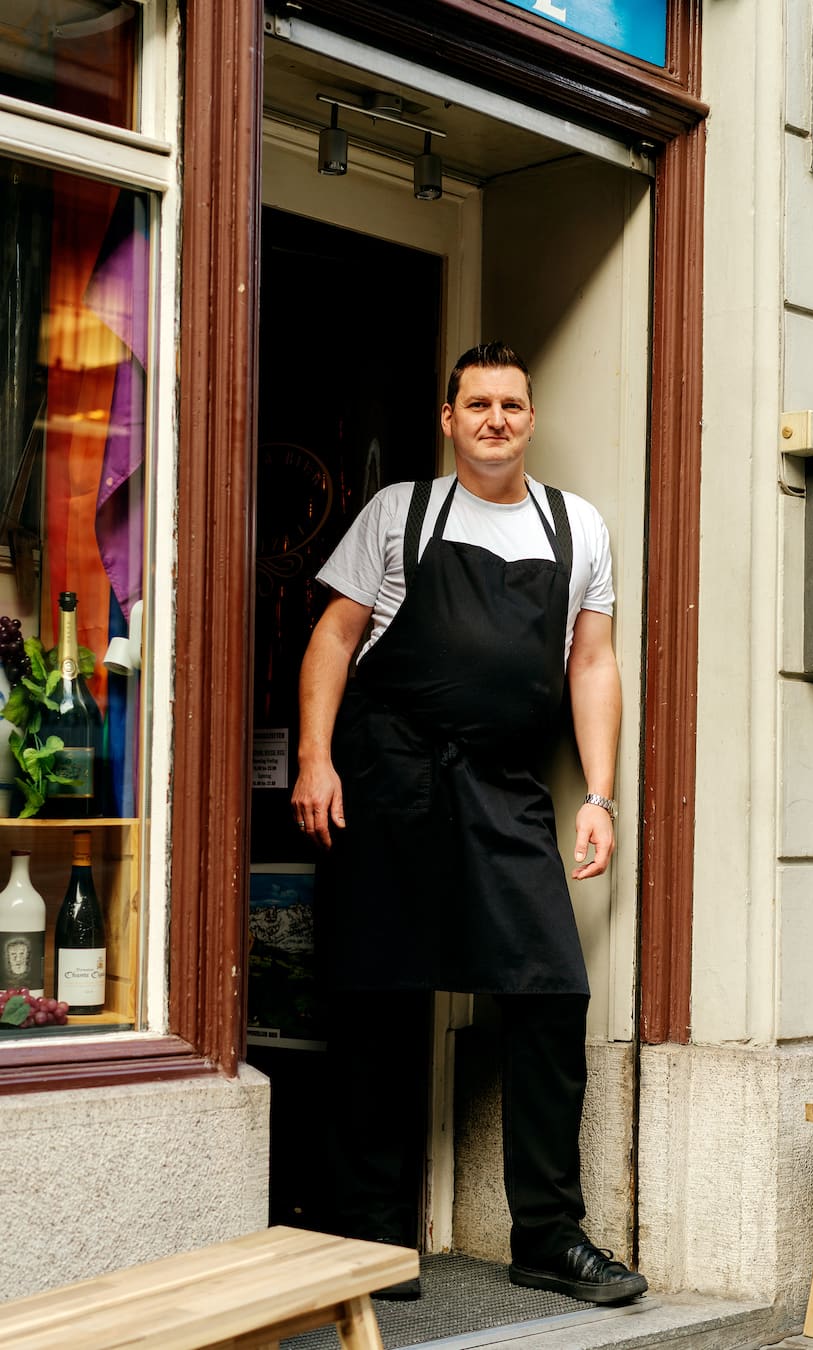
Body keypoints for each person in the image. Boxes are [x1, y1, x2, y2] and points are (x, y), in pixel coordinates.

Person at [291, 341, 647, 1306]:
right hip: (389, 778)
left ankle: (548, 1235)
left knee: (552, 991)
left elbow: (593, 664)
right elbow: (334, 636)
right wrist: (316, 758)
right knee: (379, 996)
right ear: (448, 419)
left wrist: (600, 796)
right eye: (477, 404)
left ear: (532, 419)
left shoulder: (578, 528)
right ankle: (372, 1232)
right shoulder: (399, 512)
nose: (496, 419)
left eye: (512, 405)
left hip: (505, 787)